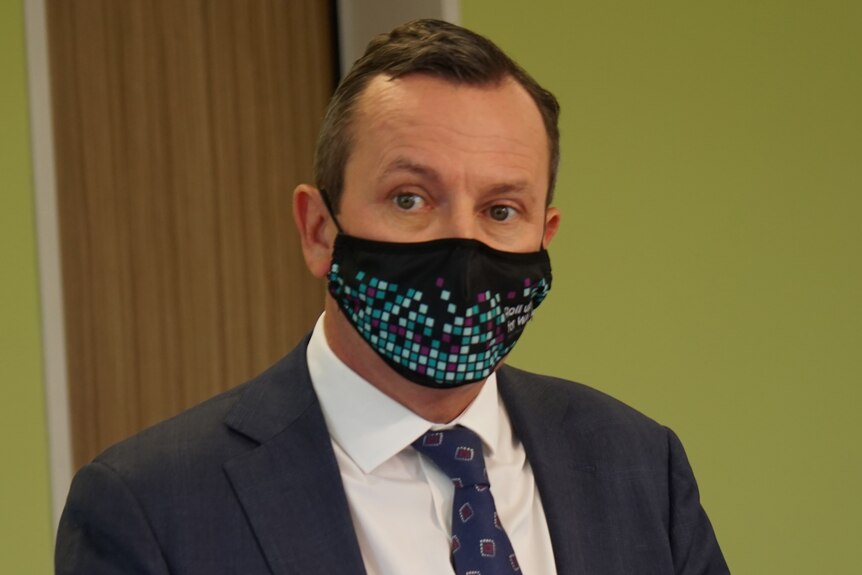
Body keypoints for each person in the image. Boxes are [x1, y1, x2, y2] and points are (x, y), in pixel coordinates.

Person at [56, 19, 729, 575]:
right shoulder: (149, 509)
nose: (461, 248)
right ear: (319, 230)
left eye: (501, 210)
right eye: (411, 198)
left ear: (545, 234)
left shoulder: (641, 467)